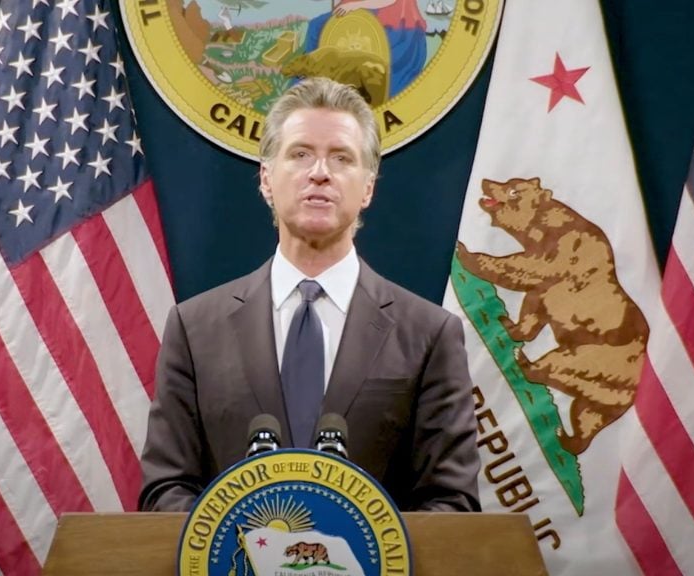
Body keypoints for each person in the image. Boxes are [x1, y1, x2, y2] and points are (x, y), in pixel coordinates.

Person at [139, 76, 480, 512]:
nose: (320, 172)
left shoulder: (429, 335)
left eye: (341, 158)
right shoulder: (194, 329)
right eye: (301, 154)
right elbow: (164, 490)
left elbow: (451, 503)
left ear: (368, 188)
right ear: (266, 178)